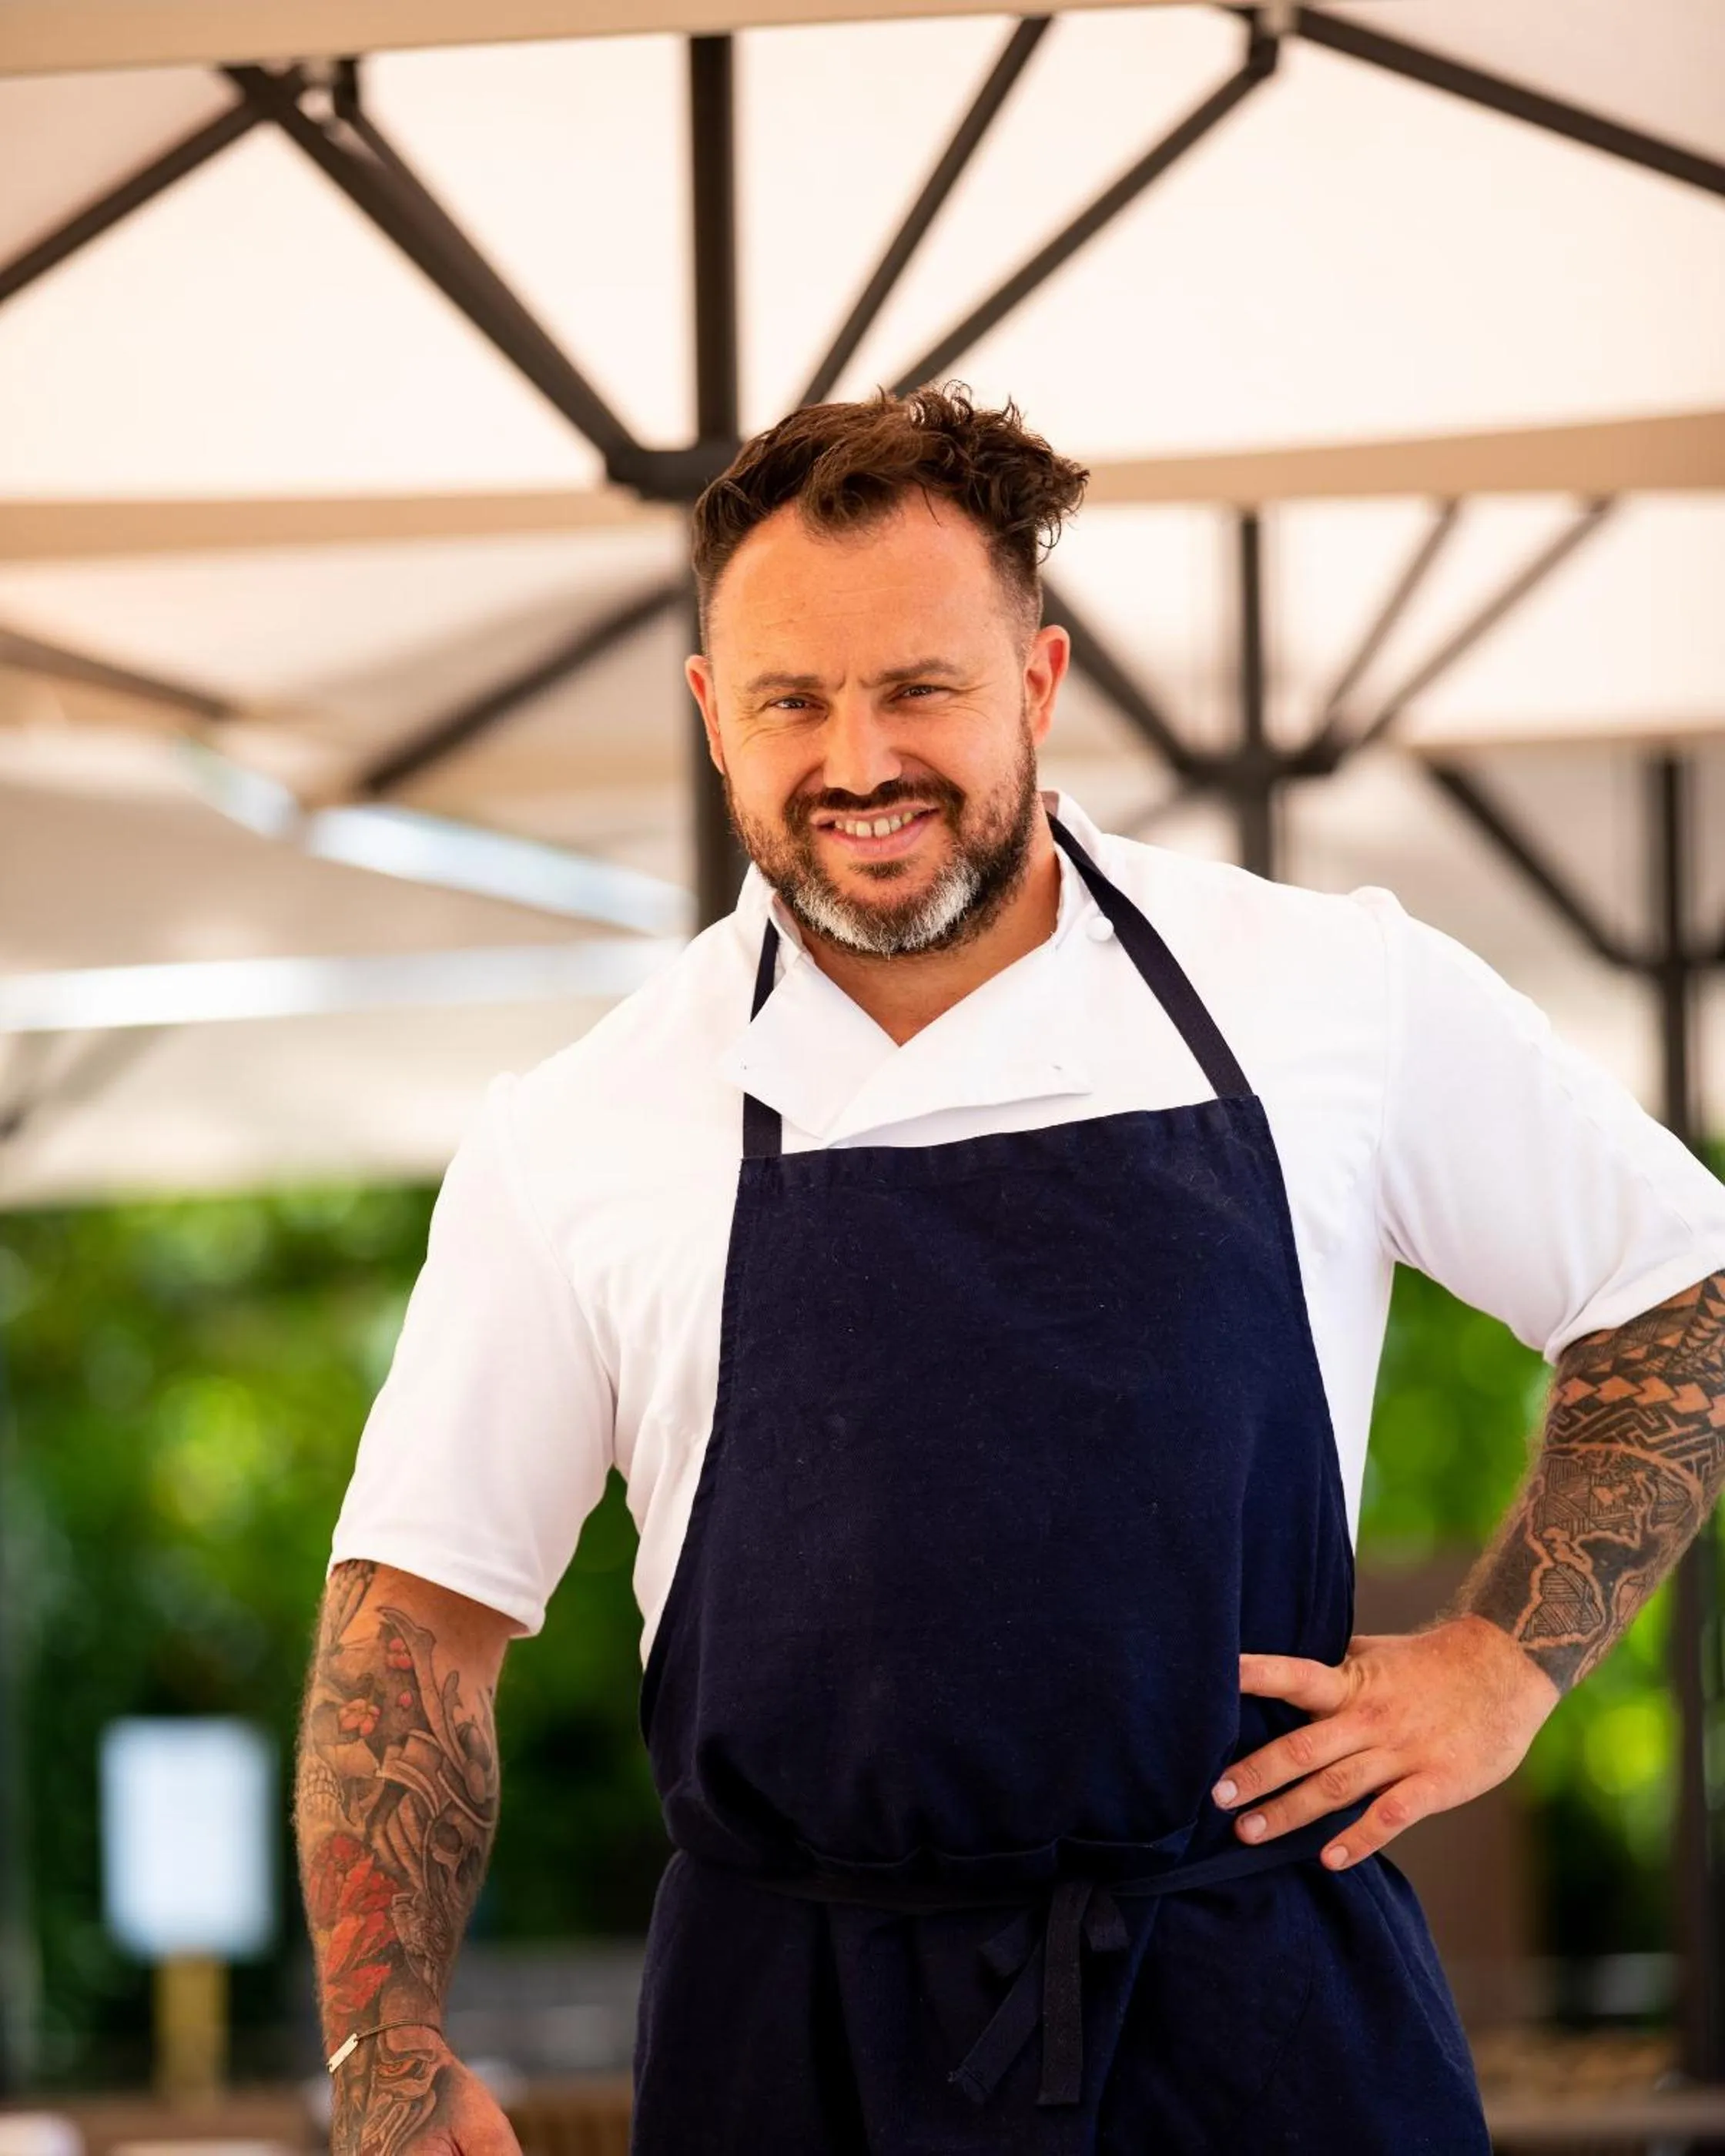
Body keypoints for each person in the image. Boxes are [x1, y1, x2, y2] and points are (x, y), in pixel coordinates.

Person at [296, 386, 1725, 2156]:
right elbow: (415, 1624)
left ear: (1038, 685)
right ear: (710, 721)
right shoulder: (581, 1125)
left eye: (919, 688)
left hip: (1264, 2021)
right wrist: (384, 2049)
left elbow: (1679, 1283)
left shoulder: (1322, 989)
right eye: (790, 700)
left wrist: (1504, 1664)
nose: (856, 757)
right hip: (792, 2054)